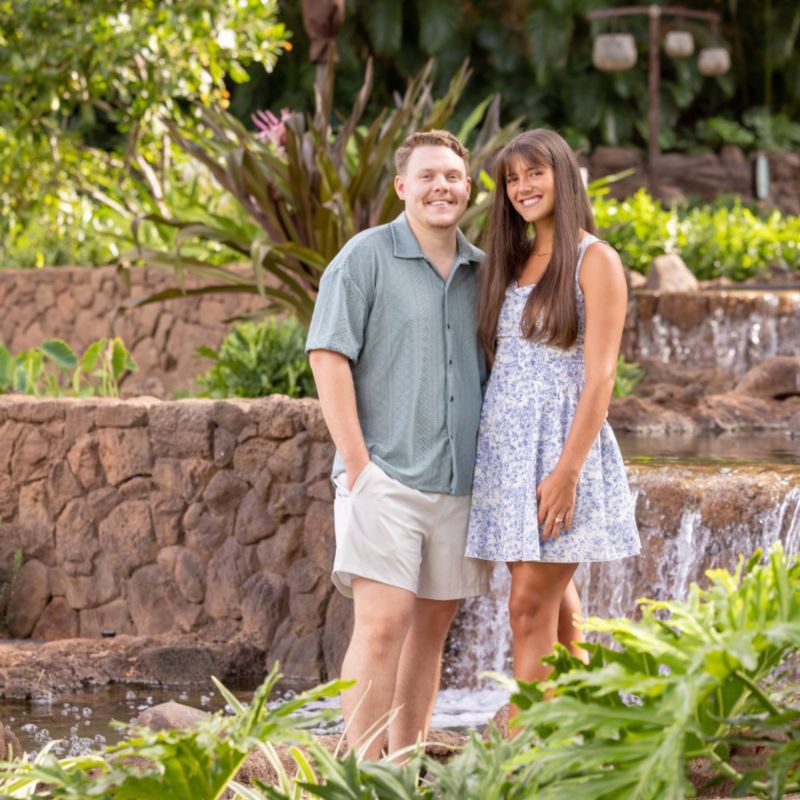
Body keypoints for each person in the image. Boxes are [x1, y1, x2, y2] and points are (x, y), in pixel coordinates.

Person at [305, 130, 490, 759]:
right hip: (384, 478)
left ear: (468, 188)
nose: (442, 187)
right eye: (428, 176)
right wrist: (360, 469)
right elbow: (328, 357)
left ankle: (403, 769)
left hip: (458, 484)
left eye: (453, 177)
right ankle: (363, 774)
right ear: (401, 186)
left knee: (430, 633)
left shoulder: (483, 272)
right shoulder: (364, 257)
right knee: (382, 626)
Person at [466, 129, 641, 706]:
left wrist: (568, 471)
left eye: (534, 173)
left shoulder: (596, 260)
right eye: (512, 179)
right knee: (557, 610)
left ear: (562, 176)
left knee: (526, 607)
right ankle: (585, 726)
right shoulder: (510, 262)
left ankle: (527, 748)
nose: (522, 187)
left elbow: (601, 378)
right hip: (507, 454)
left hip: (560, 453)